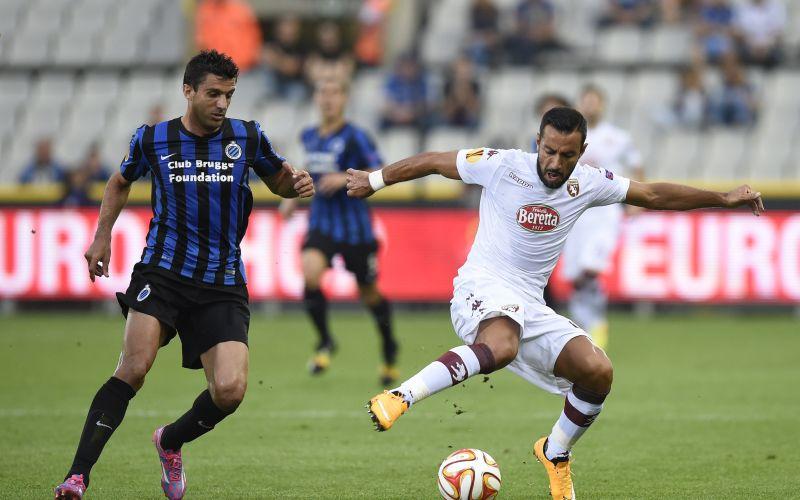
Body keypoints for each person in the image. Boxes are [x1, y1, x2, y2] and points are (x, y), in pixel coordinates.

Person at [348, 107, 763, 499]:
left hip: (530, 303)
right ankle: (402, 396)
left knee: (597, 372)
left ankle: (556, 451)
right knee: (502, 345)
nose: (555, 163)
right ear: (538, 142)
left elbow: (652, 194)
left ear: (581, 153)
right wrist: (375, 181)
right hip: (483, 285)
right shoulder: (502, 164)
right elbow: (434, 161)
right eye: (548, 151)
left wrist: (723, 198)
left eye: (566, 155)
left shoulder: (589, 182)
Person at [53, 50, 314, 500]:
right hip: (164, 272)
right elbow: (119, 182)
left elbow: (279, 182)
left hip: (221, 281)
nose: (222, 104)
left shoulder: (247, 137)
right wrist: (102, 236)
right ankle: (77, 477)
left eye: (229, 95)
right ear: (188, 91)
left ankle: (170, 441)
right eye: (213, 94)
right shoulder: (152, 139)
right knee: (134, 366)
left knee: (230, 390)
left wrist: (298, 185)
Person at [280, 79, 399, 387]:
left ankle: (389, 348)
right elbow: (304, 171)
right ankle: (325, 341)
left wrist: (340, 177)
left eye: (334, 93)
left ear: (344, 99)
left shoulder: (356, 136)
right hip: (321, 223)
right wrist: (290, 197)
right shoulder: (307, 136)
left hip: (356, 229)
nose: (327, 99)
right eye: (322, 92)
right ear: (316, 98)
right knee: (309, 273)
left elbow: (379, 170)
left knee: (369, 293)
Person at [560, 85, 643, 349]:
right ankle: (582, 329)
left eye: (594, 101)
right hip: (574, 213)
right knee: (574, 276)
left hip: (605, 212)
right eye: (586, 101)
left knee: (590, 268)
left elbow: (637, 166)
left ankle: (596, 323)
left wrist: (637, 202)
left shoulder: (617, 137)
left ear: (602, 105)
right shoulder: (569, 137)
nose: (590, 106)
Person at [195, 0, 262, 72]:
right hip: (218, 70)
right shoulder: (205, 10)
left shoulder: (240, 8)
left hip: (244, 68)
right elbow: (202, 40)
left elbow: (254, 36)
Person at [380, 53, 429, 131]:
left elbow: (424, 105)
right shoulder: (392, 82)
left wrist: (411, 114)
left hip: (414, 117)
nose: (408, 70)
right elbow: (387, 103)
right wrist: (397, 114)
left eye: (411, 66)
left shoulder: (421, 83)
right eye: (405, 66)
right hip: (395, 117)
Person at [263, 16, 308, 100]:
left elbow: (291, 68)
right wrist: (283, 61)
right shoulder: (272, 42)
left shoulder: (301, 47)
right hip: (274, 84)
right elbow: (265, 57)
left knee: (298, 93)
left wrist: (277, 60)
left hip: (292, 85)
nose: (288, 30)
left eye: (291, 27)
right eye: (285, 26)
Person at [733, 0, 785, 68]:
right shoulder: (741, 8)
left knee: (777, 54)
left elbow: (779, 33)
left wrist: (766, 46)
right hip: (748, 45)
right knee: (737, 53)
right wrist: (752, 45)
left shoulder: (776, 7)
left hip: (770, 46)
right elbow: (737, 31)